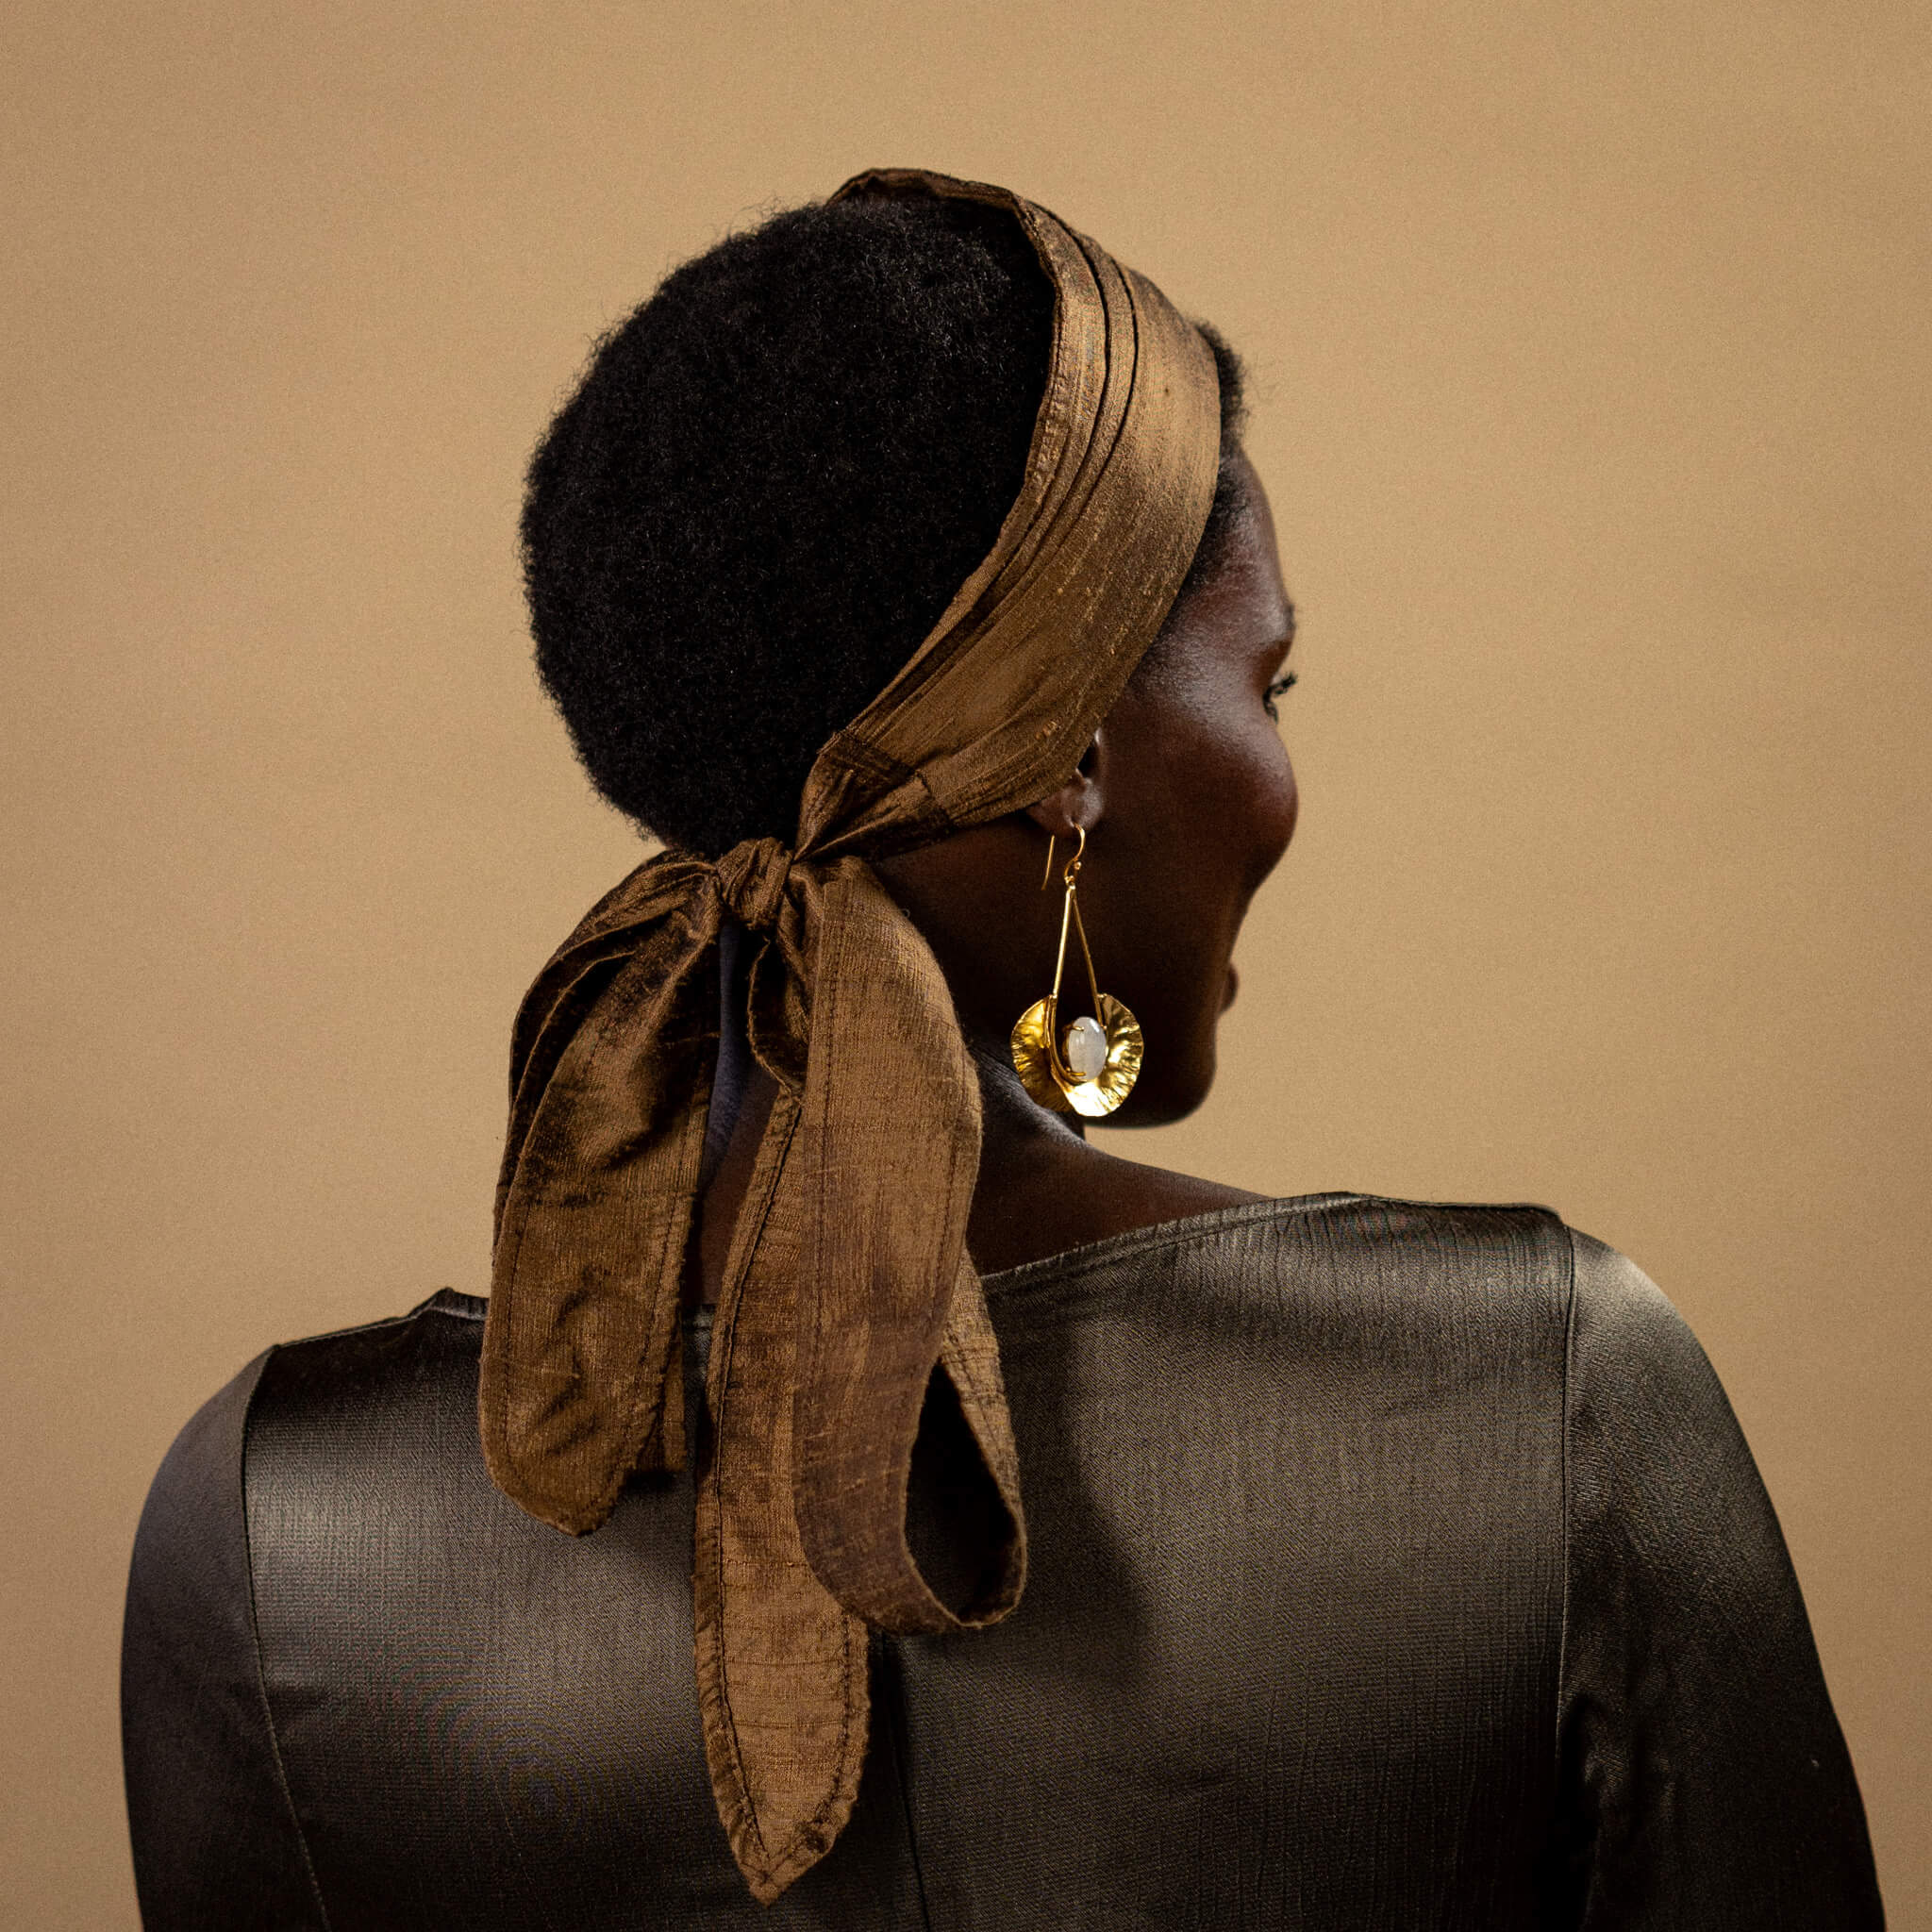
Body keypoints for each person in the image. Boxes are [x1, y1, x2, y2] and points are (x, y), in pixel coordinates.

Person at [121, 169, 1884, 1929]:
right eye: (1266, 683)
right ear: (1073, 754)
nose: (1282, 773)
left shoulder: (273, 1516)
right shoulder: (1540, 1398)